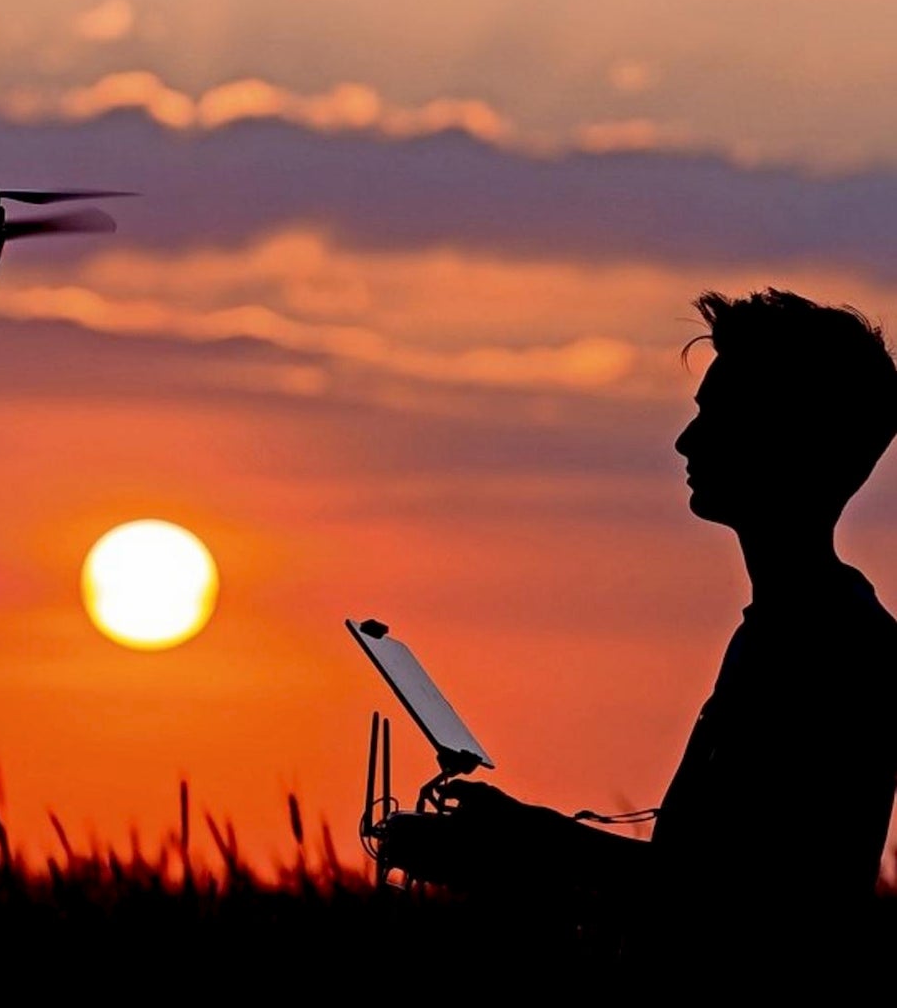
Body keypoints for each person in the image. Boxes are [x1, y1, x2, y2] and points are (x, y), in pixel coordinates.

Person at [379, 288, 897, 975]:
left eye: (719, 416)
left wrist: (534, 846)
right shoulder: (795, 629)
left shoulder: (833, 651)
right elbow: (701, 898)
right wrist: (522, 848)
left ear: (786, 440)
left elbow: (757, 913)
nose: (687, 440)